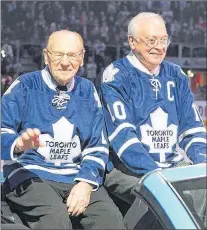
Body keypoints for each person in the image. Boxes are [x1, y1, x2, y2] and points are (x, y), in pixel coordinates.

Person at [1, 30, 125, 229]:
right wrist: (17, 144)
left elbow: (97, 145)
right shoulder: (24, 85)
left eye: (72, 55)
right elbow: (2, 130)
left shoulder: (87, 90)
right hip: (30, 174)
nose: (65, 62)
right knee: (56, 219)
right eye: (58, 54)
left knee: (110, 219)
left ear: (82, 58)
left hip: (75, 175)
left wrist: (85, 183)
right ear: (46, 56)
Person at [99, 12, 207, 204]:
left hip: (171, 164)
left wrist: (203, 164)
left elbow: (192, 129)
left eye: (164, 39)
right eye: (151, 41)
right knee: (177, 202)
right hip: (127, 170)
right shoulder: (116, 76)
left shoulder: (176, 75)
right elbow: (124, 138)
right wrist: (157, 176)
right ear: (132, 42)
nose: (159, 47)